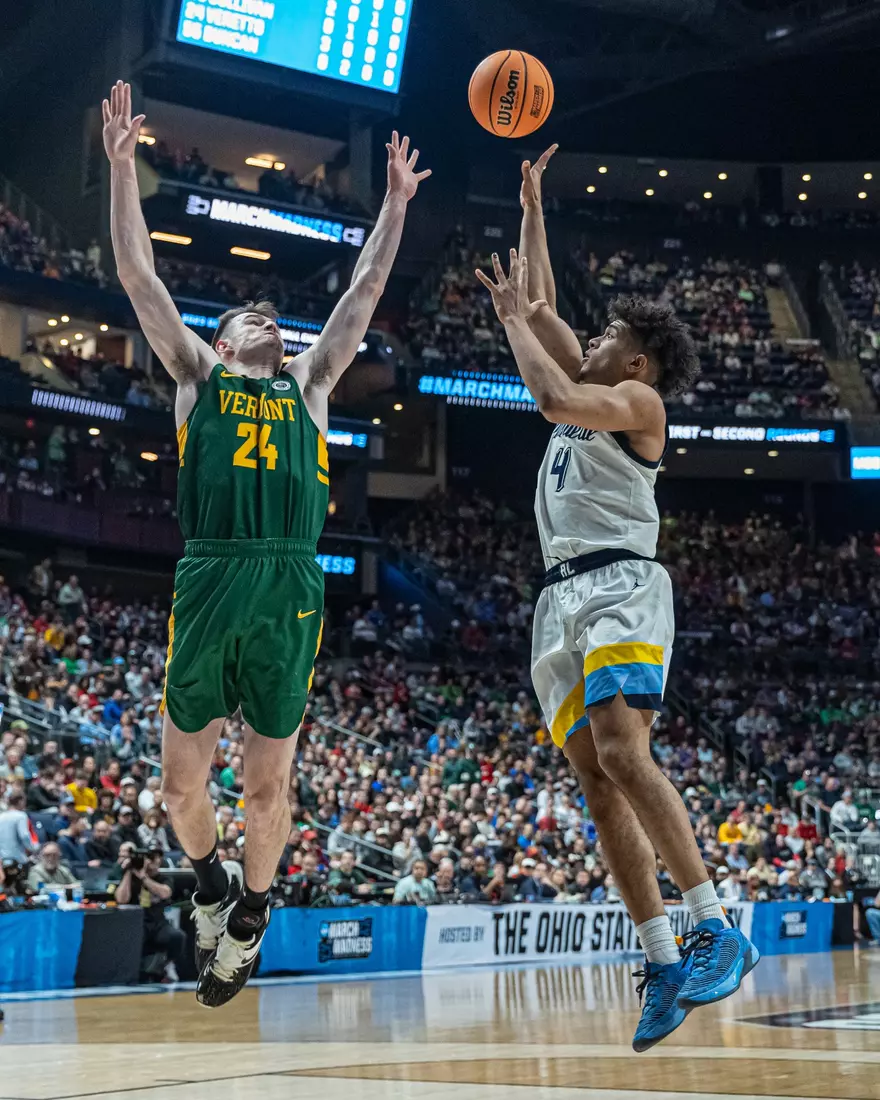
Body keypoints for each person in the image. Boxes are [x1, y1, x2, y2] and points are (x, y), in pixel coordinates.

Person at [103, 80, 431, 1007]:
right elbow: (140, 279)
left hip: (288, 580)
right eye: (249, 317)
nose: (267, 321)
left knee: (267, 787)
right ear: (222, 340)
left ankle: (250, 913)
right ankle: (210, 887)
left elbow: (364, 292)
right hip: (211, 573)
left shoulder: (311, 383)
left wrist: (395, 205)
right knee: (179, 791)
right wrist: (122, 170)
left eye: (273, 319)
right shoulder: (195, 375)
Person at [473, 146, 760, 1054]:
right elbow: (544, 308)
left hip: (620, 585)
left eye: (603, 337)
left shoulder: (637, 401)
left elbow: (550, 391)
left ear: (634, 359)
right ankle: (663, 961)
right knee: (597, 788)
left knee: (625, 753)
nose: (587, 338)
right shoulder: (602, 375)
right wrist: (532, 205)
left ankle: (717, 926)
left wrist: (514, 322)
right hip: (558, 600)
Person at [113, 846, 185, 982]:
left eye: (154, 858)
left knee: (177, 936)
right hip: (135, 922)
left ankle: (168, 965)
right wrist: (129, 872)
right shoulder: (131, 877)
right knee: (131, 938)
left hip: (157, 922)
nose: (151, 862)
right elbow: (121, 899)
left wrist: (144, 877)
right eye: (149, 858)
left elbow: (165, 893)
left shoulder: (163, 877)